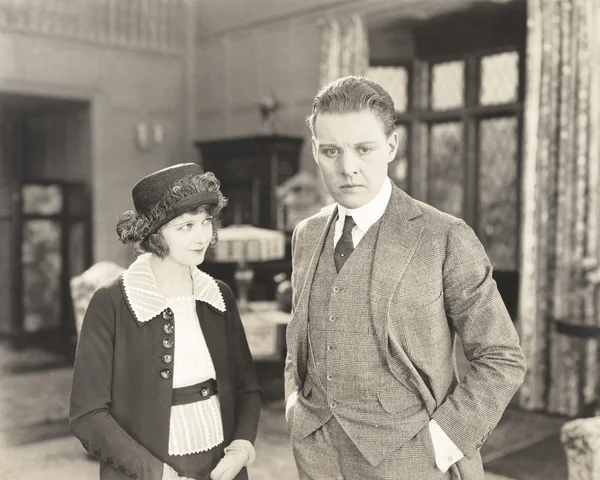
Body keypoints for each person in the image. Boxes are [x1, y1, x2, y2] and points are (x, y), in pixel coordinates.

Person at [284, 76, 527, 480]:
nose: (348, 168)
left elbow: (502, 358)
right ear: (315, 151)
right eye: (331, 151)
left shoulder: (444, 237)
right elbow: (299, 344)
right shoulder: (307, 235)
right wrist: (295, 407)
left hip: (414, 458)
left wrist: (440, 443)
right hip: (317, 454)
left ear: (392, 147)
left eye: (364, 149)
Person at [70, 163, 261, 480]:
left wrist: (241, 447)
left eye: (206, 222)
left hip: (220, 469)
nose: (202, 236)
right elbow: (87, 415)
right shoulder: (111, 303)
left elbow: (248, 389)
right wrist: (154, 472)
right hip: (143, 472)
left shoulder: (219, 296)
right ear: (155, 235)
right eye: (186, 226)